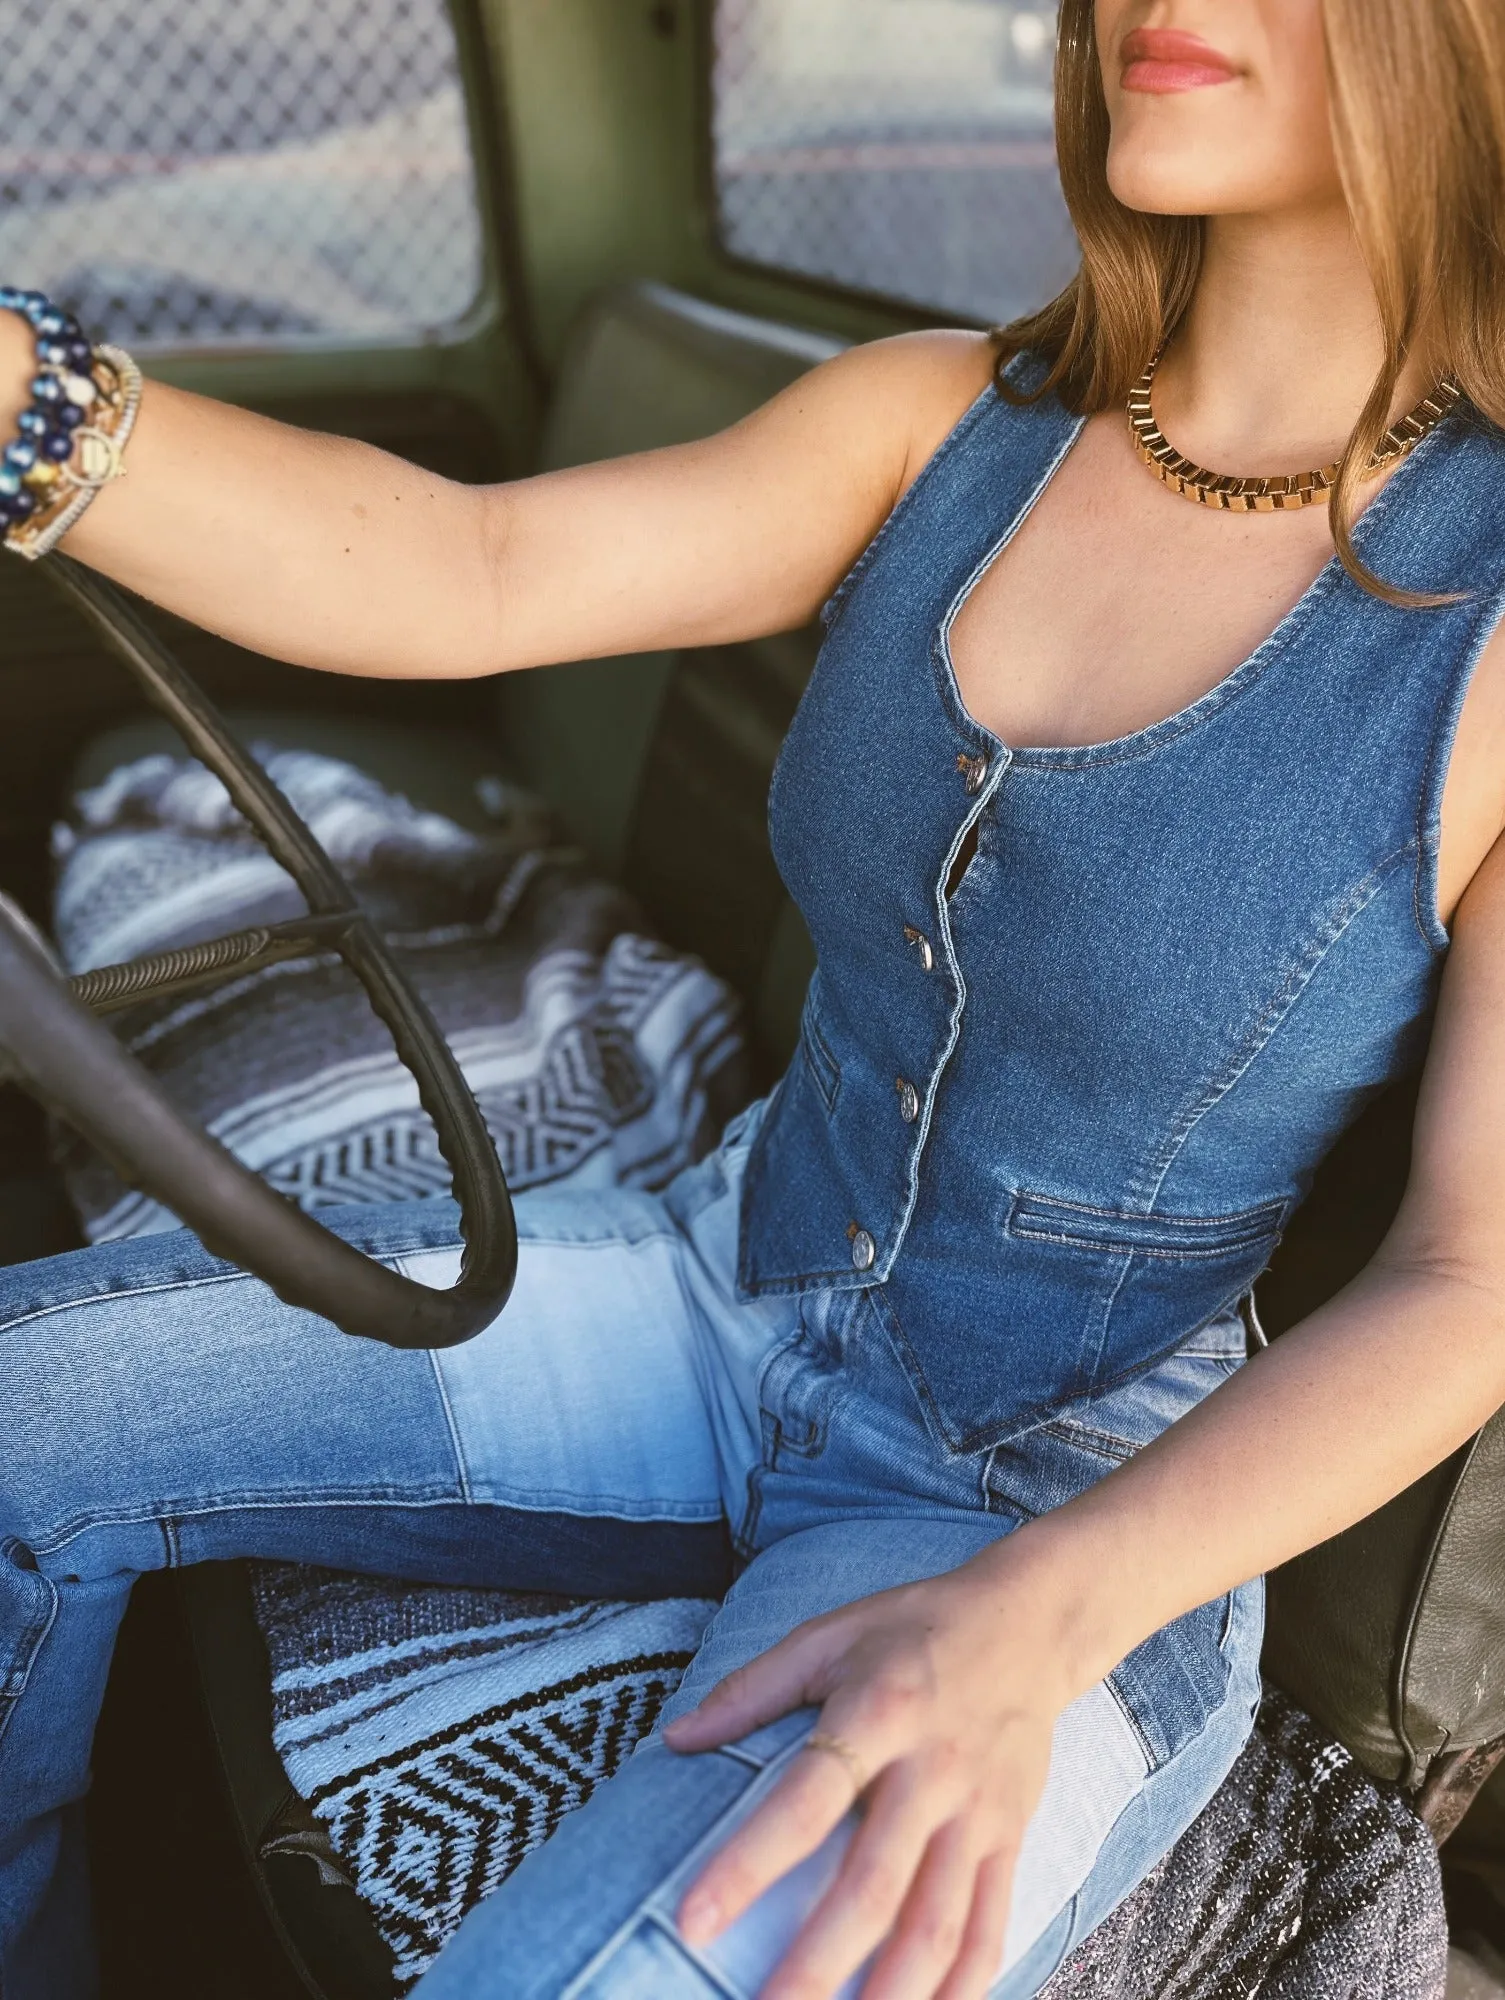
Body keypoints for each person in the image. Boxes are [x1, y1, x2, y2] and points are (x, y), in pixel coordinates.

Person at [2, 0, 1504, 1993]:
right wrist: (33, 403)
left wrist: (1045, 1615)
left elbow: (1469, 1273)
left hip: (1047, 1496)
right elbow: (461, 571)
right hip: (720, 1287)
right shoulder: (932, 420)